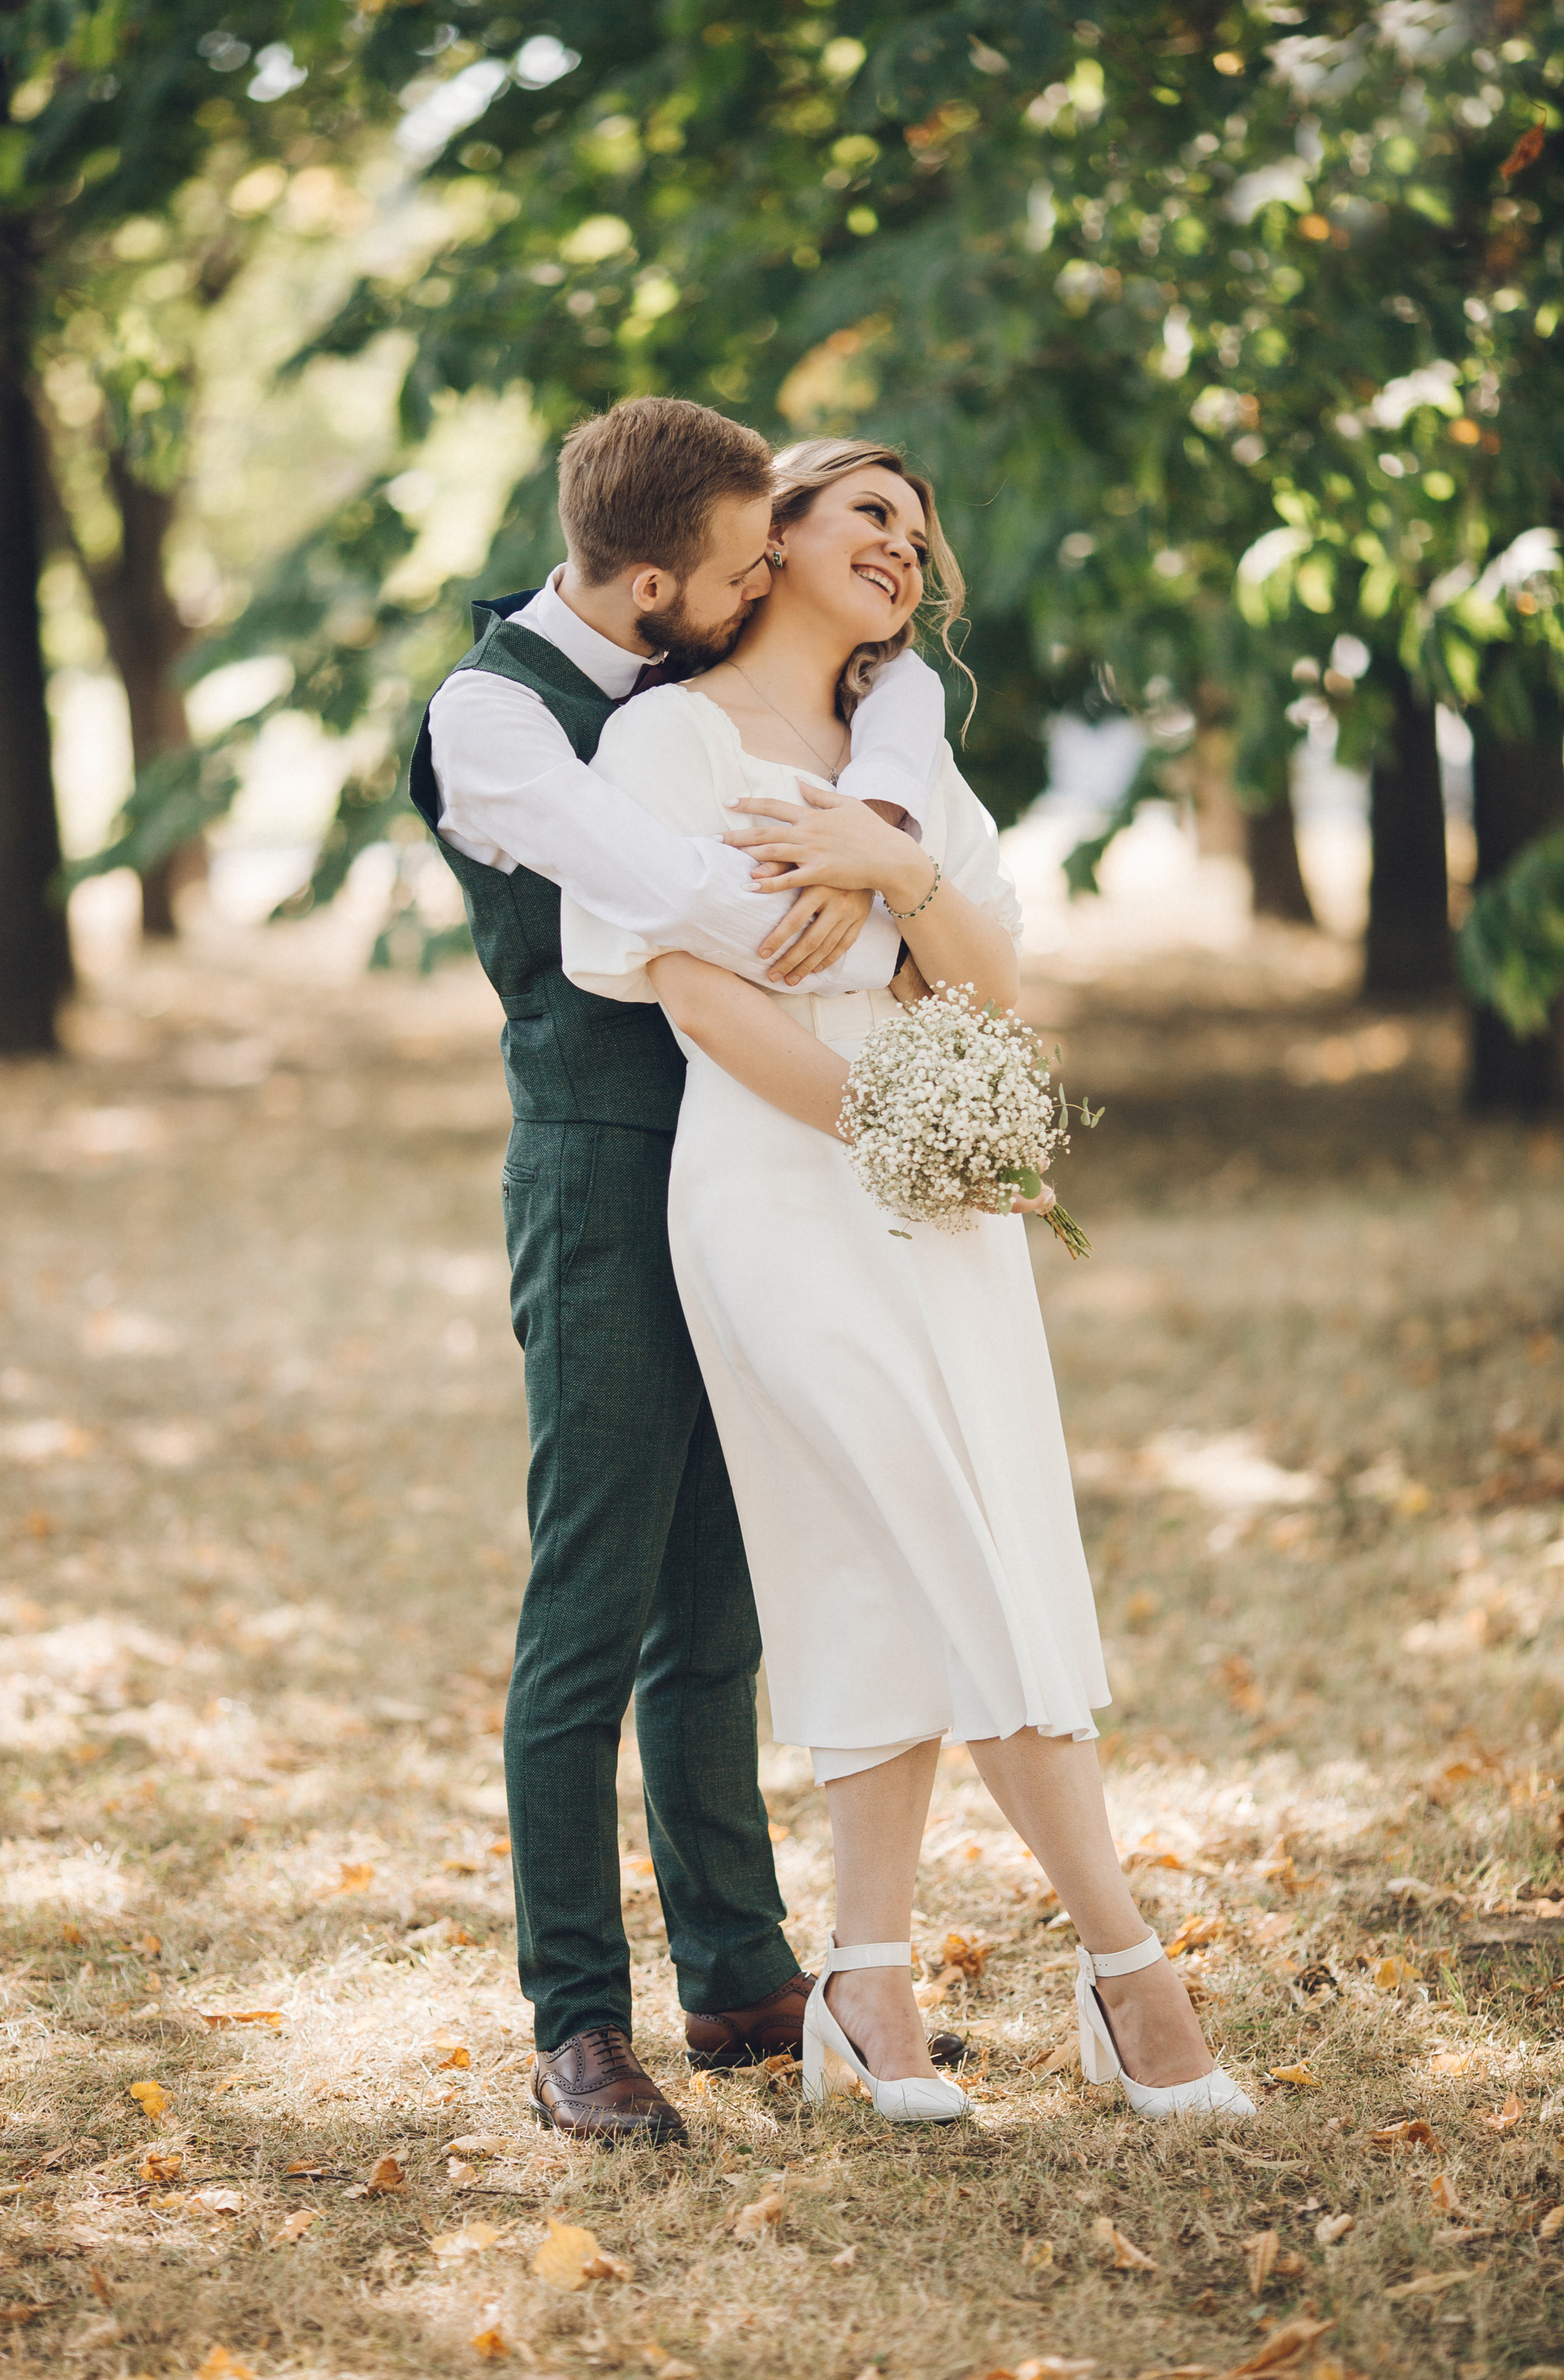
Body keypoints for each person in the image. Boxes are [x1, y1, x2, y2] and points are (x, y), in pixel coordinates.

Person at [561, 438, 1254, 2123]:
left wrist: (898, 871)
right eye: (870, 511)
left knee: (899, 1556)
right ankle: (1128, 1972)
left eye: (920, 529)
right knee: (940, 1535)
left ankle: (867, 1989)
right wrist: (894, 1125)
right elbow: (696, 996)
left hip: (941, 1186)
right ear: (769, 533)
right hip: (783, 1175)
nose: (905, 544)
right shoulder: (662, 740)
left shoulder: (904, 749)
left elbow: (992, 979)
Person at [408, 397, 947, 2141]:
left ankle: (735, 1965)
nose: (753, 586)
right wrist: (856, 907)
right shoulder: (495, 713)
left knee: (715, 1599)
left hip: (749, 1164)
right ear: (653, 586)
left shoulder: (702, 680)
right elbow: (639, 889)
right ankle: (577, 2019)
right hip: (601, 1165)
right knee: (593, 1602)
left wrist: (883, 886)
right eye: (730, 571)